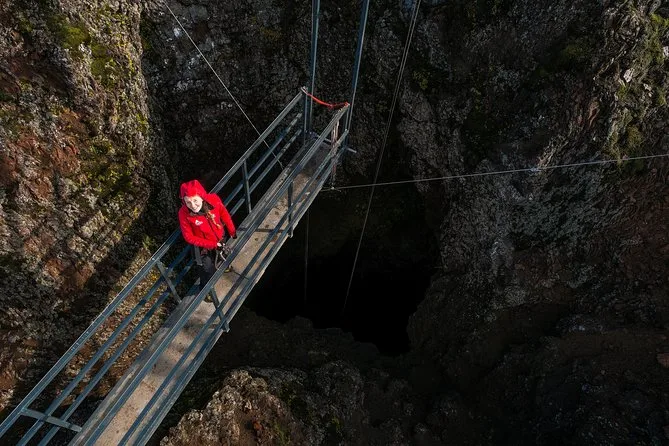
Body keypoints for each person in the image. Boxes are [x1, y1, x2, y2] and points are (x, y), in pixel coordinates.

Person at [178, 179, 237, 289]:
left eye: (195, 200)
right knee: (206, 270)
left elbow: (224, 214)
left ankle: (224, 267)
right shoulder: (184, 213)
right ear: (184, 202)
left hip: (219, 238)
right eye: (188, 202)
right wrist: (212, 244)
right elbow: (188, 237)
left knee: (222, 255)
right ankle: (207, 290)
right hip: (203, 247)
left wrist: (232, 231)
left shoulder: (214, 200)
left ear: (201, 197)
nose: (193, 205)